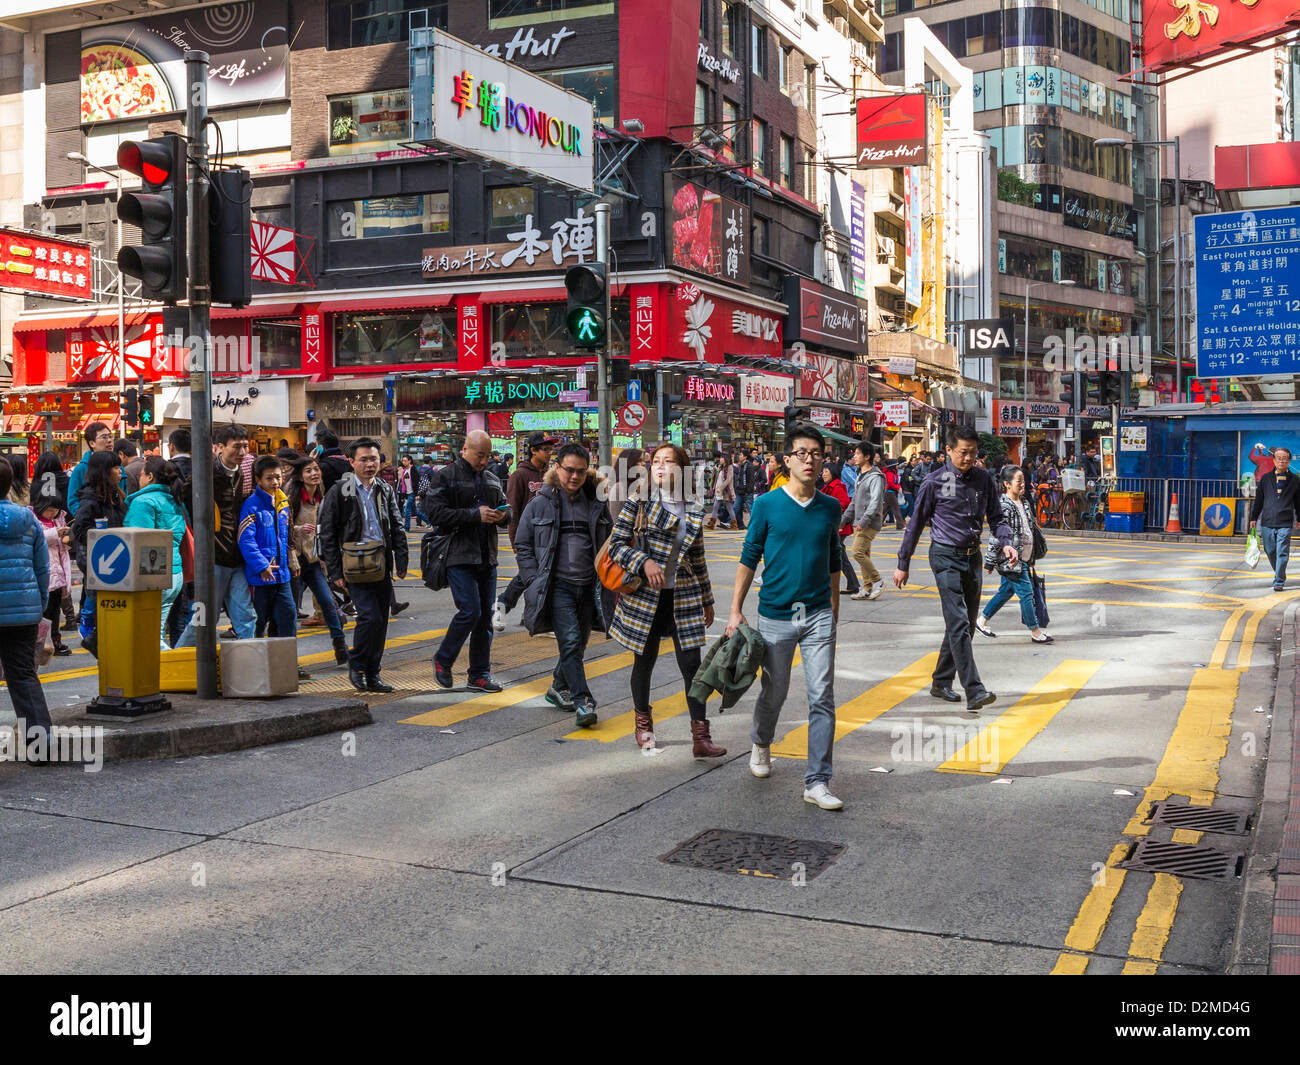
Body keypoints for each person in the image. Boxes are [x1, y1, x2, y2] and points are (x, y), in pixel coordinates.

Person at [728, 423, 844, 810]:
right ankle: (761, 744)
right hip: (776, 614)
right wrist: (734, 612)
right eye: (802, 453)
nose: (810, 460)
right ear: (788, 459)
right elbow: (748, 559)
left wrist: (833, 611)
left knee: (822, 695)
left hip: (817, 616)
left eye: (817, 454)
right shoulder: (766, 505)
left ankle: (817, 780)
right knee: (774, 692)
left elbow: (833, 561)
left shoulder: (830, 507)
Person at [608, 441, 723, 755]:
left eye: (668, 461)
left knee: (693, 667)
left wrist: (708, 600)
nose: (660, 466)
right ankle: (643, 725)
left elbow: (697, 558)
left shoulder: (693, 506)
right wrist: (644, 563)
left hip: (683, 597)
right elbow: (616, 546)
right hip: (646, 598)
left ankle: (701, 737)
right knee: (644, 663)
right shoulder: (639, 500)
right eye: (655, 461)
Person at [894, 425, 1017, 711]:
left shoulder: (984, 479)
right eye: (963, 452)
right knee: (959, 622)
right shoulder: (935, 481)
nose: (968, 458)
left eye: (973, 453)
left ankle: (940, 681)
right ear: (948, 450)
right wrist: (903, 563)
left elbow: (996, 517)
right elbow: (915, 525)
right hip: (944, 556)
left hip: (971, 557)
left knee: (964, 625)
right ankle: (974, 690)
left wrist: (1007, 542)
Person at [515, 442, 612, 728]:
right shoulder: (539, 503)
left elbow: (609, 541)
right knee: (570, 642)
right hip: (557, 586)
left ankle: (558, 686)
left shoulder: (597, 502)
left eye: (581, 472)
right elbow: (523, 544)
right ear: (557, 468)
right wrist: (532, 579)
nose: (574, 476)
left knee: (578, 644)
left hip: (589, 586)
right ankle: (583, 701)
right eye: (569, 470)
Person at [319, 437, 408, 693]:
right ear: (351, 462)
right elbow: (327, 533)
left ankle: (373, 674)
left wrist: (401, 559)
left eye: (374, 459)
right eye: (364, 460)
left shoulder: (384, 488)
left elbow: (397, 524)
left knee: (380, 621)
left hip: (380, 565)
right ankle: (357, 665)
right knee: (368, 617)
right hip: (353, 566)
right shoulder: (340, 491)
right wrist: (335, 571)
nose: (370, 464)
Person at [424, 430, 509, 691]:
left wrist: (502, 517)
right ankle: (443, 659)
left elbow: (506, 509)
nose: (483, 461)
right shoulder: (445, 477)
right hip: (458, 555)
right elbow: (434, 513)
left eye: (486, 456)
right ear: (465, 449)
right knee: (470, 611)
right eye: (479, 455)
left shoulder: (493, 478)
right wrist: (474, 515)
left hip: (487, 556)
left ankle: (479, 674)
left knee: (485, 618)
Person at [176, 423, 257, 646]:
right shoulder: (205, 475)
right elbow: (185, 502)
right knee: (203, 619)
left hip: (236, 557)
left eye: (245, 447)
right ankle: (177, 661)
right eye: (236, 447)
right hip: (213, 558)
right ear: (219, 447)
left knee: (246, 615)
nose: (242, 453)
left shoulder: (239, 473)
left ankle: (247, 664)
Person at [0, 458, 54, 762]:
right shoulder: (29, 519)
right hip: (23, 611)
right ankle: (41, 747)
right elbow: (42, 568)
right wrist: (39, 604)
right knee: (22, 676)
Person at [976, 466, 1052, 643]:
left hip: (1024, 557)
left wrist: (1031, 558)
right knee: (1026, 594)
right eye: (1019, 481)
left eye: (1023, 481)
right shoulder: (1004, 505)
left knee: (1006, 591)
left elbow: (1029, 530)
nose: (1023, 484)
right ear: (1007, 484)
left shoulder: (1024, 502)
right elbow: (996, 536)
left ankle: (981, 620)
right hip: (1011, 560)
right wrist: (989, 562)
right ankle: (1035, 631)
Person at [491, 432, 556, 632]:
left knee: (537, 576)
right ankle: (502, 606)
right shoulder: (520, 475)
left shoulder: (551, 473)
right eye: (544, 450)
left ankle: (518, 610)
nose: (549, 453)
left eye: (550, 449)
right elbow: (513, 510)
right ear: (532, 450)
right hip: (528, 538)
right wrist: (516, 544)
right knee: (530, 576)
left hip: (547, 537)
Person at [287, 457, 349, 665]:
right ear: (300, 476)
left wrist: (326, 559)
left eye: (316, 470)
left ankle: (340, 646)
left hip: (313, 561)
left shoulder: (322, 498)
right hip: (294, 562)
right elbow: (282, 526)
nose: (314, 474)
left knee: (328, 603)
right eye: (308, 471)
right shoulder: (292, 498)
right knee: (291, 611)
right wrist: (298, 530)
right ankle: (289, 658)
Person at [123, 456, 190, 649]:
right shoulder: (174, 499)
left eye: (141, 474)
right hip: (174, 573)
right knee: (156, 629)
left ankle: (165, 672)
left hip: (151, 576)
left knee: (149, 635)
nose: (139, 477)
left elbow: (138, 541)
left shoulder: (143, 502)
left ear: (150, 476)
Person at [239, 456, 302, 651]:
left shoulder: (283, 502)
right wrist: (261, 565)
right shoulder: (252, 505)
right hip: (260, 578)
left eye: (278, 477)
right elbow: (245, 539)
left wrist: (291, 561)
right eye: (269, 478)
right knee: (259, 622)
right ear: (258, 480)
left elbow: (286, 537)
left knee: (288, 617)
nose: (275, 482)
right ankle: (256, 663)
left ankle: (287, 663)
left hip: (281, 576)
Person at [70, 451, 127, 654]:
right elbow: (79, 529)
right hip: (96, 555)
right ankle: (90, 630)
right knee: (98, 593)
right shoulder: (91, 498)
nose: (120, 471)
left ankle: (97, 632)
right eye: (115, 467)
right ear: (104, 471)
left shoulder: (115, 494)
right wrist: (99, 537)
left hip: (114, 553)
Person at [1249, 445, 1299, 592]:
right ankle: (1280, 572)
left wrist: (1299, 518)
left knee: (1282, 551)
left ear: (1289, 461)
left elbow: (1298, 501)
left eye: (1285, 459)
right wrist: (1254, 517)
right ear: (1274, 460)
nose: (1281, 461)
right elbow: (1259, 499)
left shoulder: (1295, 480)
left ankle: (1279, 581)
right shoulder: (1265, 478)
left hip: (1285, 521)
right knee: (1270, 550)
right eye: (1279, 458)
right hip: (1267, 520)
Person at [33, 499, 72, 656]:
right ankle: (41, 644)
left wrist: (67, 537)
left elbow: (65, 550)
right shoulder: (34, 522)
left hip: (58, 575)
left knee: (55, 613)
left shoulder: (58, 521)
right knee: (44, 613)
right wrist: (56, 533)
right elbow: (39, 539)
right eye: (49, 510)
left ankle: (55, 642)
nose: (52, 514)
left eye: (55, 511)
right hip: (44, 575)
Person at [848, 442, 886, 601]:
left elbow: (875, 502)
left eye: (857, 453)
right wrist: (843, 520)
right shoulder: (860, 476)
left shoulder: (876, 477)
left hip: (870, 522)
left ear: (867, 456)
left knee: (856, 552)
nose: (854, 457)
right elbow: (855, 501)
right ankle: (867, 588)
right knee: (864, 553)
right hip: (859, 521)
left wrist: (864, 521)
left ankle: (879, 581)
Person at [819, 461, 860, 596]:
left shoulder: (837, 486)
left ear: (833, 472)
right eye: (823, 471)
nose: (824, 474)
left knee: (838, 555)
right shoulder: (828, 487)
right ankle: (852, 583)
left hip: (838, 526)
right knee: (838, 554)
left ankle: (852, 583)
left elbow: (844, 504)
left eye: (826, 471)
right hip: (832, 525)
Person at [314, 428, 352, 492]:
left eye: (316, 445)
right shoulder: (350, 462)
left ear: (321, 447)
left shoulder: (321, 467)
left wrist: (311, 461)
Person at [707, 455, 736, 529]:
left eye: (721, 458)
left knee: (729, 507)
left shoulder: (730, 467)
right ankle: (711, 524)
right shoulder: (720, 467)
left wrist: (721, 488)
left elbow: (728, 479)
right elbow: (717, 478)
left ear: (725, 459)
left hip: (726, 491)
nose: (720, 459)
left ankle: (734, 524)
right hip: (718, 491)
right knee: (715, 506)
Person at [883, 460, 904, 529]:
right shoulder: (889, 473)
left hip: (890, 492)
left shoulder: (893, 472)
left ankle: (877, 524)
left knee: (885, 509)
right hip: (890, 492)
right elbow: (890, 483)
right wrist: (898, 487)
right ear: (893, 466)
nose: (898, 466)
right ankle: (900, 525)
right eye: (896, 465)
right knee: (896, 509)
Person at [396, 455, 415, 532]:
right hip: (407, 493)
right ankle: (428, 521)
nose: (403, 462)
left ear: (409, 461)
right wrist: (403, 496)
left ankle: (406, 527)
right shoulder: (404, 471)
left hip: (413, 493)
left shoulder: (413, 469)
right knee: (415, 511)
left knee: (407, 510)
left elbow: (416, 482)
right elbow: (403, 484)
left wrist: (417, 494)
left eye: (405, 461)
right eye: (402, 461)